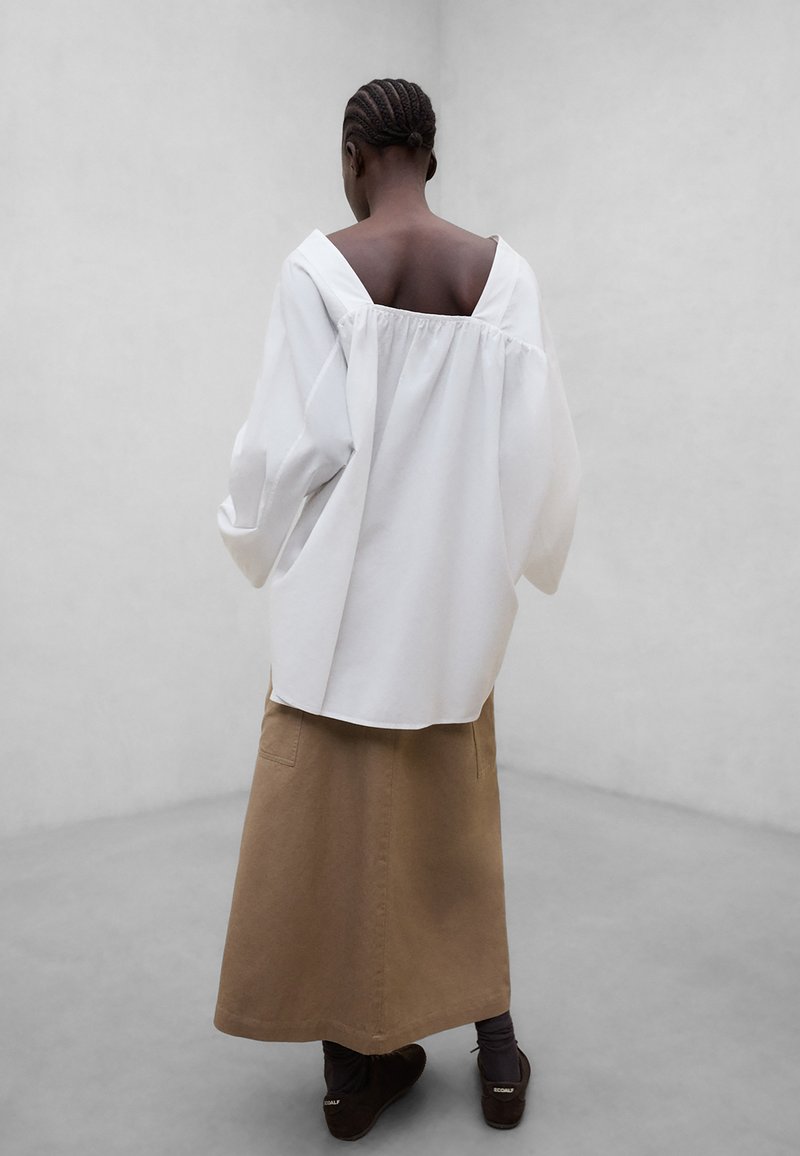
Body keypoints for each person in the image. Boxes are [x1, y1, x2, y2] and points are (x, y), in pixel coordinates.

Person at [213, 77, 581, 1140]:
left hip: (340, 619)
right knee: (454, 838)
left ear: (352, 155)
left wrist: (246, 532)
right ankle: (497, 1056)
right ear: (430, 153)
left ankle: (351, 1077)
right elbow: (537, 454)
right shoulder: (503, 278)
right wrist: (511, 563)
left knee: (332, 844)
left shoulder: (318, 268)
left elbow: (298, 441)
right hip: (450, 615)